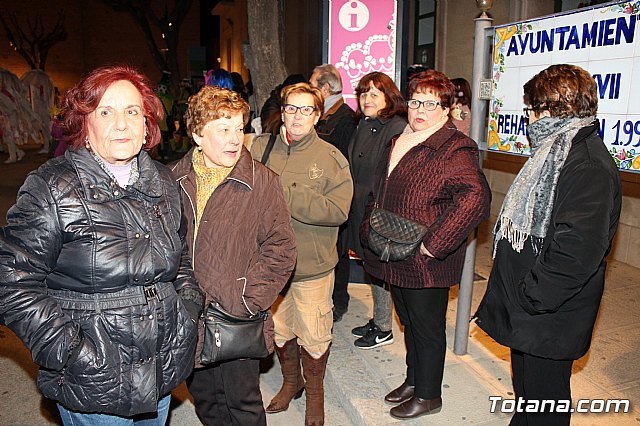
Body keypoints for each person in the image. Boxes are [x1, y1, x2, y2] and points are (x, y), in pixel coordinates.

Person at [0, 64, 203, 425]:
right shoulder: (52, 188)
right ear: (85, 126)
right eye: (105, 112)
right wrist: (71, 350)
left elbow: (180, 255)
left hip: (161, 367)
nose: (121, 123)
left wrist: (187, 309)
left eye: (132, 111)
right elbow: (12, 283)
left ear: (147, 126)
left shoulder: (163, 180)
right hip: (93, 379)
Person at [474, 64, 622, 426]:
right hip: (532, 313)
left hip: (548, 313)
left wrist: (532, 296)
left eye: (532, 109)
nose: (529, 118)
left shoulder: (585, 164)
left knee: (545, 404)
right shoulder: (555, 152)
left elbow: (577, 250)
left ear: (555, 109)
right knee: (528, 396)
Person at [360, 69, 491, 420]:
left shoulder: (454, 147)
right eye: (416, 101)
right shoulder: (400, 138)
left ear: (446, 109)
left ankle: (430, 394)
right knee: (407, 320)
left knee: (427, 327)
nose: (420, 109)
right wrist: (369, 220)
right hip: (393, 248)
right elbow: (380, 187)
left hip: (424, 258)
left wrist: (435, 244)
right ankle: (414, 380)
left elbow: (476, 198)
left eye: (431, 103)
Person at [173, 85, 297, 425]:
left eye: (239, 129)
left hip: (235, 315)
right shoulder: (173, 180)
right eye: (223, 129)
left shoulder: (262, 182)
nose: (234, 139)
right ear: (198, 134)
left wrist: (248, 299)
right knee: (206, 401)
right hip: (188, 314)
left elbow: (281, 249)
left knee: (242, 405)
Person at [251, 82, 353, 426]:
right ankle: (291, 383)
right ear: (282, 110)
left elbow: (339, 210)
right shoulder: (261, 148)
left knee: (315, 333)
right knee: (279, 330)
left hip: (312, 265)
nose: (296, 116)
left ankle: (315, 397)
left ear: (317, 115)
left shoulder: (330, 157)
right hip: (270, 265)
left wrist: (288, 193)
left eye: (305, 109)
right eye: (290, 108)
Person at [347, 71, 407, 348]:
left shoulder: (396, 127)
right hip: (361, 208)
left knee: (381, 270)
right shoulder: (363, 124)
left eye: (374, 93)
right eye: (363, 93)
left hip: (379, 211)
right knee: (373, 267)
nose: (366, 99)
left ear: (388, 97)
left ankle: (384, 327)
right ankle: (379, 320)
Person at [309, 63, 357, 323]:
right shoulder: (326, 114)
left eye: (312, 85)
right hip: (321, 194)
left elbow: (340, 162)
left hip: (334, 195)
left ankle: (339, 302)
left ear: (325, 89)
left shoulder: (344, 118)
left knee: (338, 251)